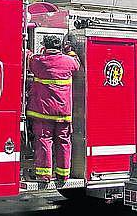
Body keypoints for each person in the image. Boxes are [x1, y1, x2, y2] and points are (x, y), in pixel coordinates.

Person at [26, 34, 80, 186]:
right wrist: (70, 51)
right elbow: (77, 64)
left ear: (45, 47)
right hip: (63, 113)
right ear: (59, 47)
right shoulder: (68, 61)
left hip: (43, 113)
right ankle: (63, 175)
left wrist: (29, 49)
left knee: (44, 141)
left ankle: (44, 175)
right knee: (63, 141)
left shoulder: (39, 61)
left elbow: (28, 58)